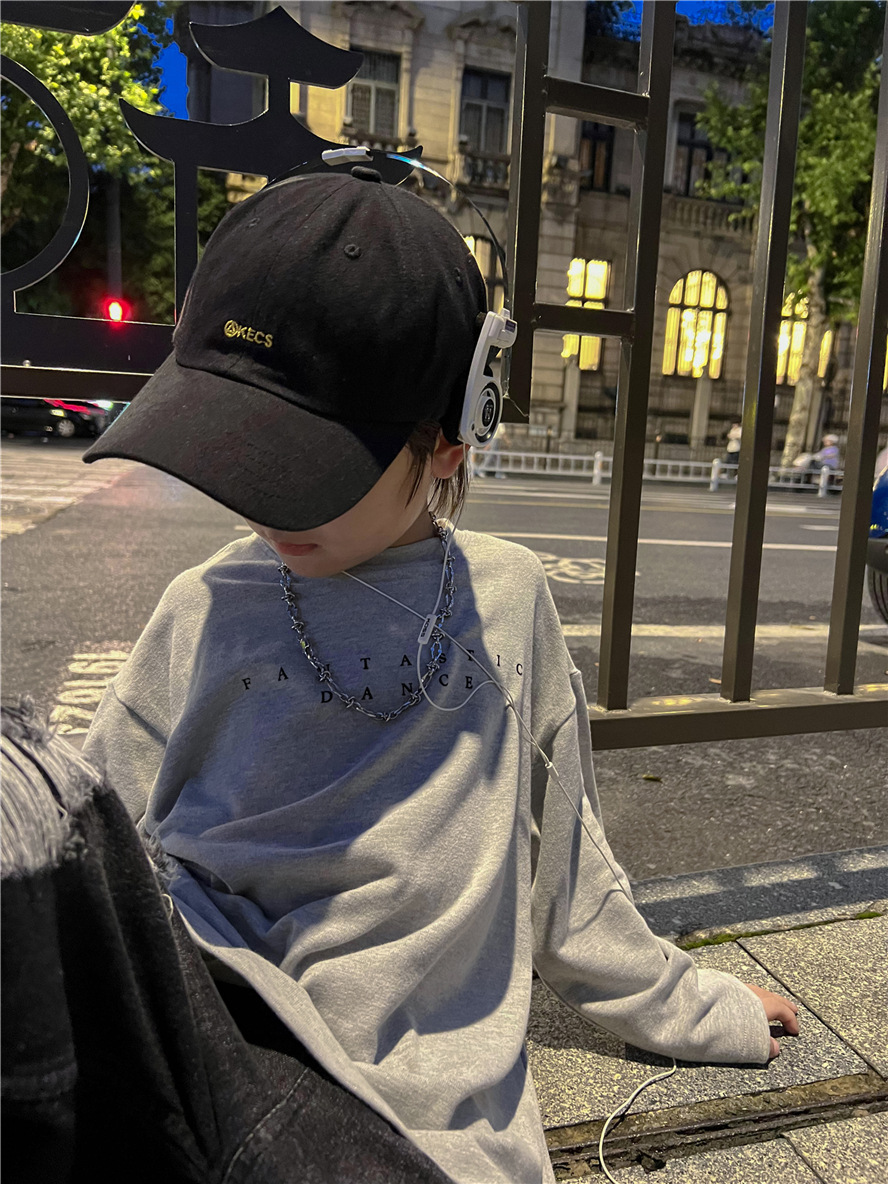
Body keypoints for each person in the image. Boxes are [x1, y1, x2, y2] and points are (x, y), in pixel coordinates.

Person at [77, 168, 799, 1184]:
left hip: (413, 1083)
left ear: (453, 439)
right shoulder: (203, 601)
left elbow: (568, 872)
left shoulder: (505, 600)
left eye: (299, 464)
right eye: (232, 447)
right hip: (207, 1009)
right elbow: (95, 835)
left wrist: (693, 1006)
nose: (259, 499)